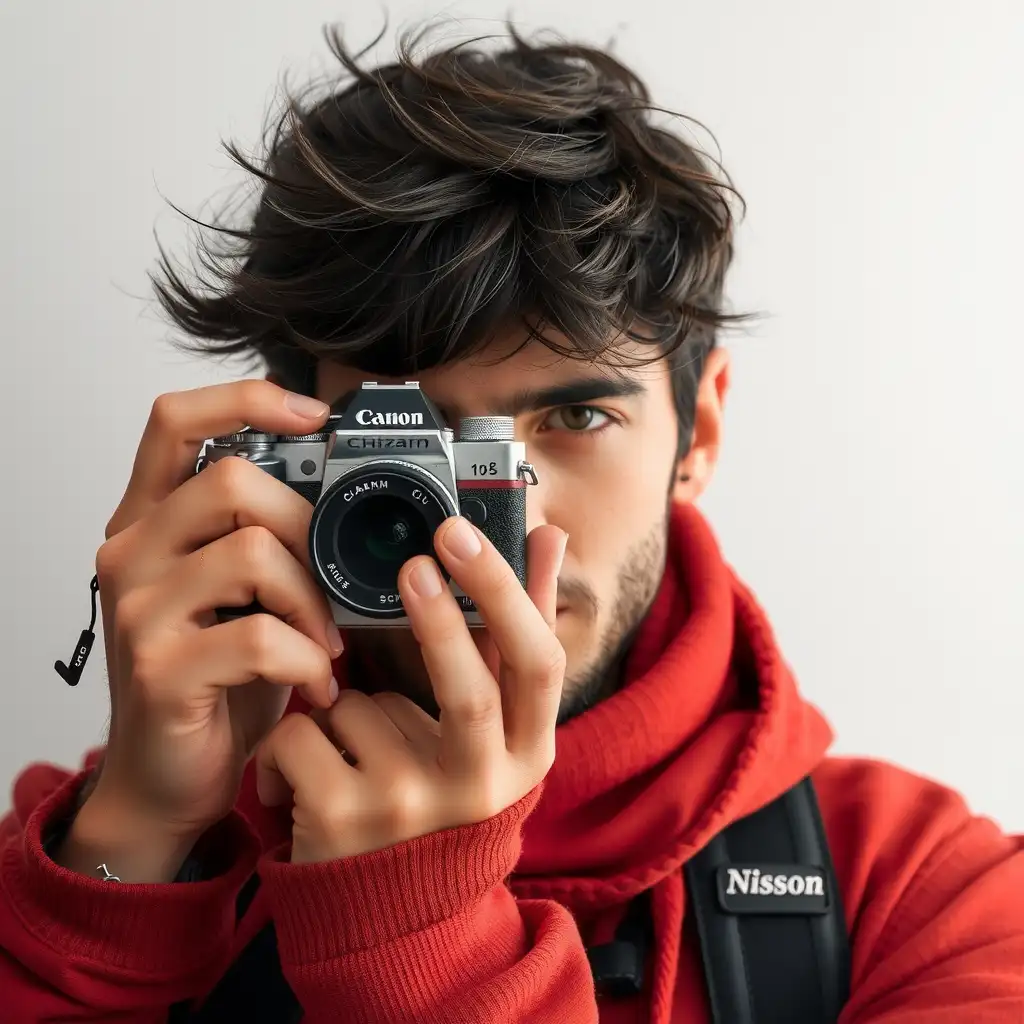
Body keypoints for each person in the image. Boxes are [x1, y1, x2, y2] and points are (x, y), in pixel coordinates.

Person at [1, 24, 1021, 1024]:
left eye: (577, 417)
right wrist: (126, 858)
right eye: (416, 440)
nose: (498, 521)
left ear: (696, 432)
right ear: (292, 450)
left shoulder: (926, 893)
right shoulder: (127, 838)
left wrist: (416, 934)